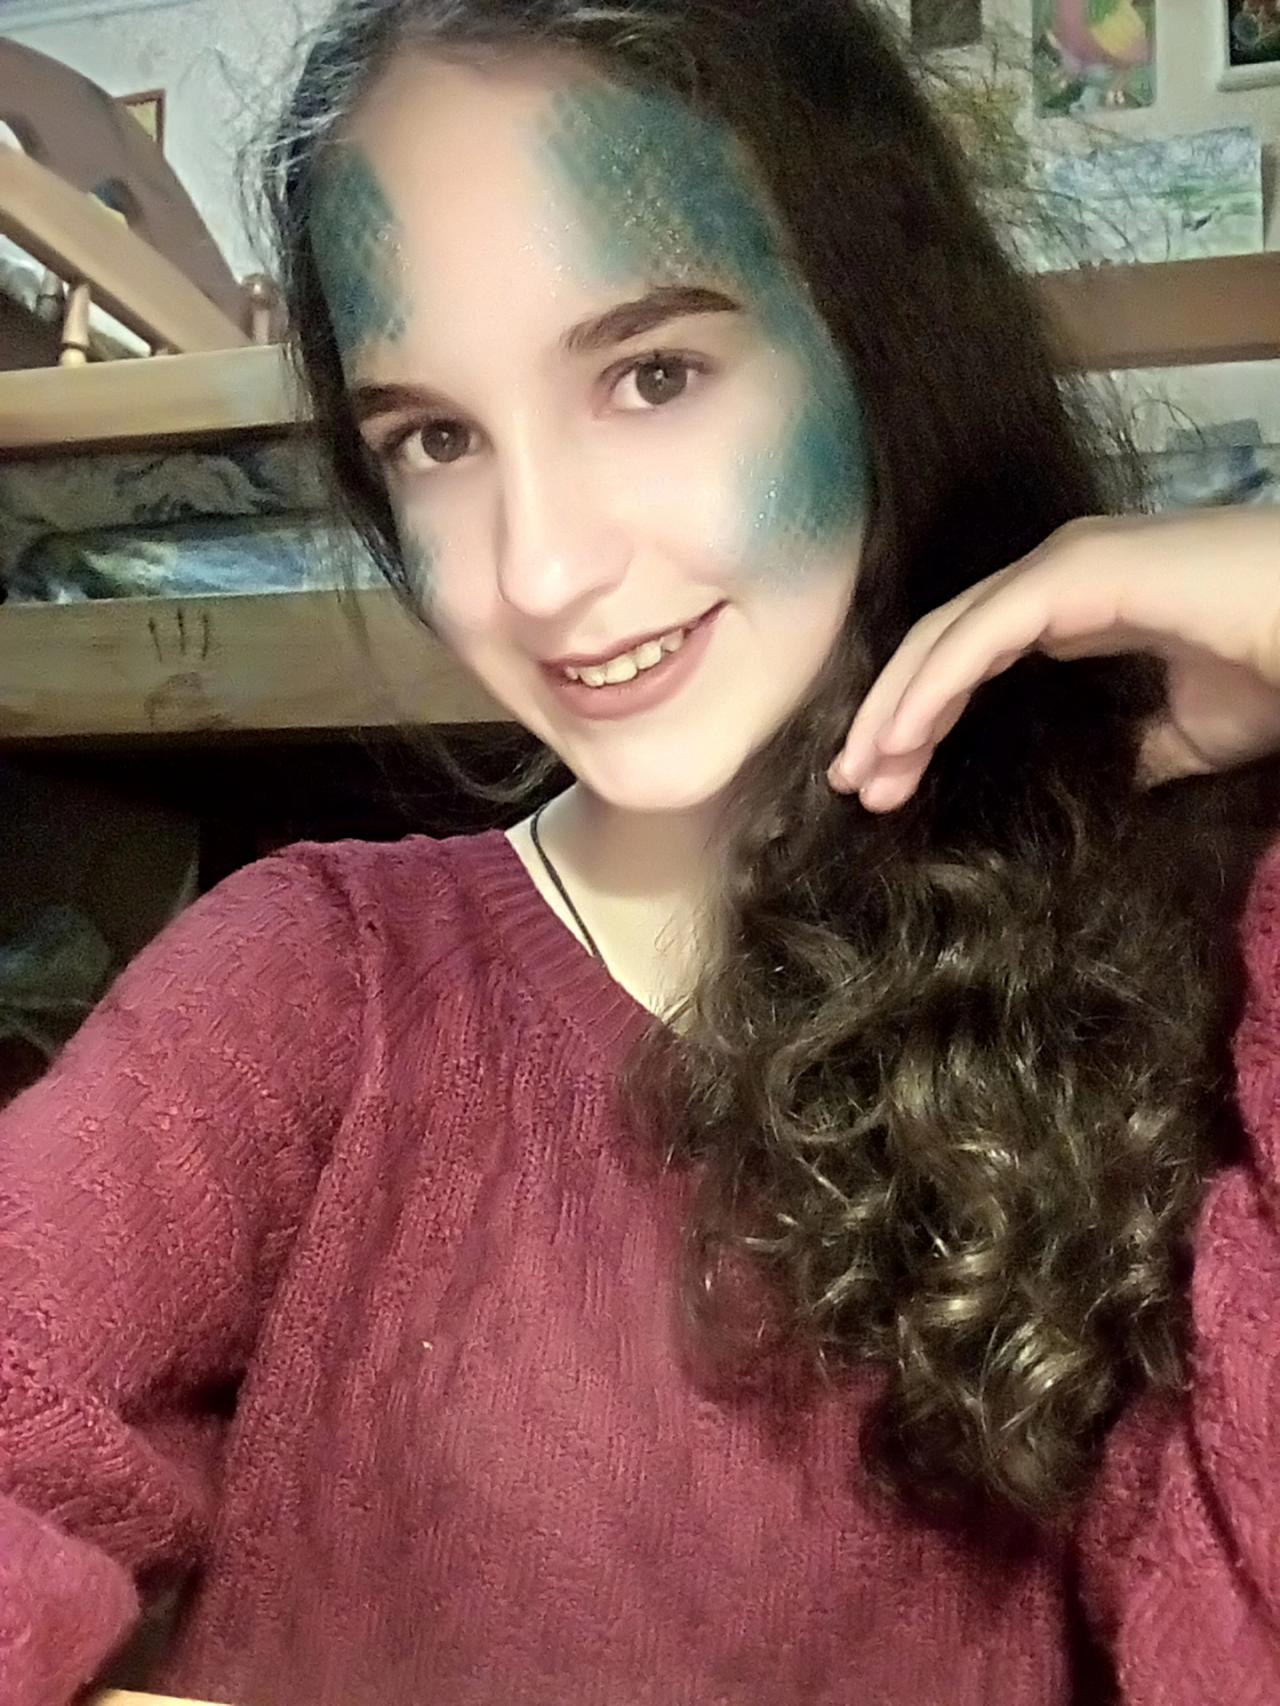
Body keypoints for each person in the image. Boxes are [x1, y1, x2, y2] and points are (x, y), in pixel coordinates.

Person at [2, 2, 1279, 1703]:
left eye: (652, 375)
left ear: (880, 342)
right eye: (436, 438)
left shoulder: (1178, 990)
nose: (538, 571)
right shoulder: (313, 980)